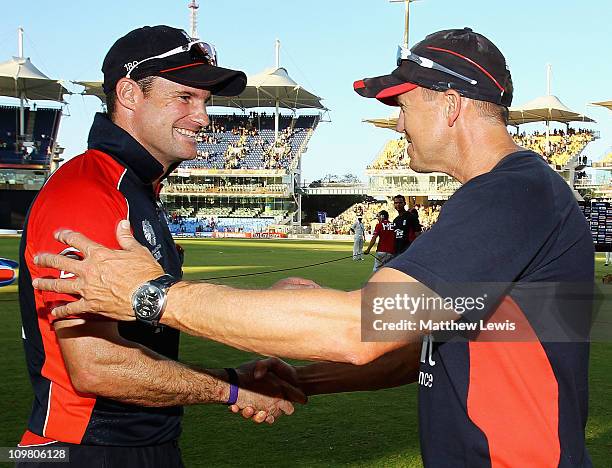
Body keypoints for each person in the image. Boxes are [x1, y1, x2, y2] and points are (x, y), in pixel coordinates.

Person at [33, 28, 595, 466]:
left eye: (402, 105)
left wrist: (152, 296)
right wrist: (288, 381)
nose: (397, 125)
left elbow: (359, 329)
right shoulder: (517, 196)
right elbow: (420, 348)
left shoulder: (510, 196)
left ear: (450, 105)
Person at [17, 25, 303, 468]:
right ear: (129, 94)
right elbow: (95, 364)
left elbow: (147, 322)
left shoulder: (133, 188)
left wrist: (240, 364)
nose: (203, 117)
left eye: (205, 101)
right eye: (184, 97)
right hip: (82, 449)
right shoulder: (90, 190)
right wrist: (230, 388)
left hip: (131, 444)